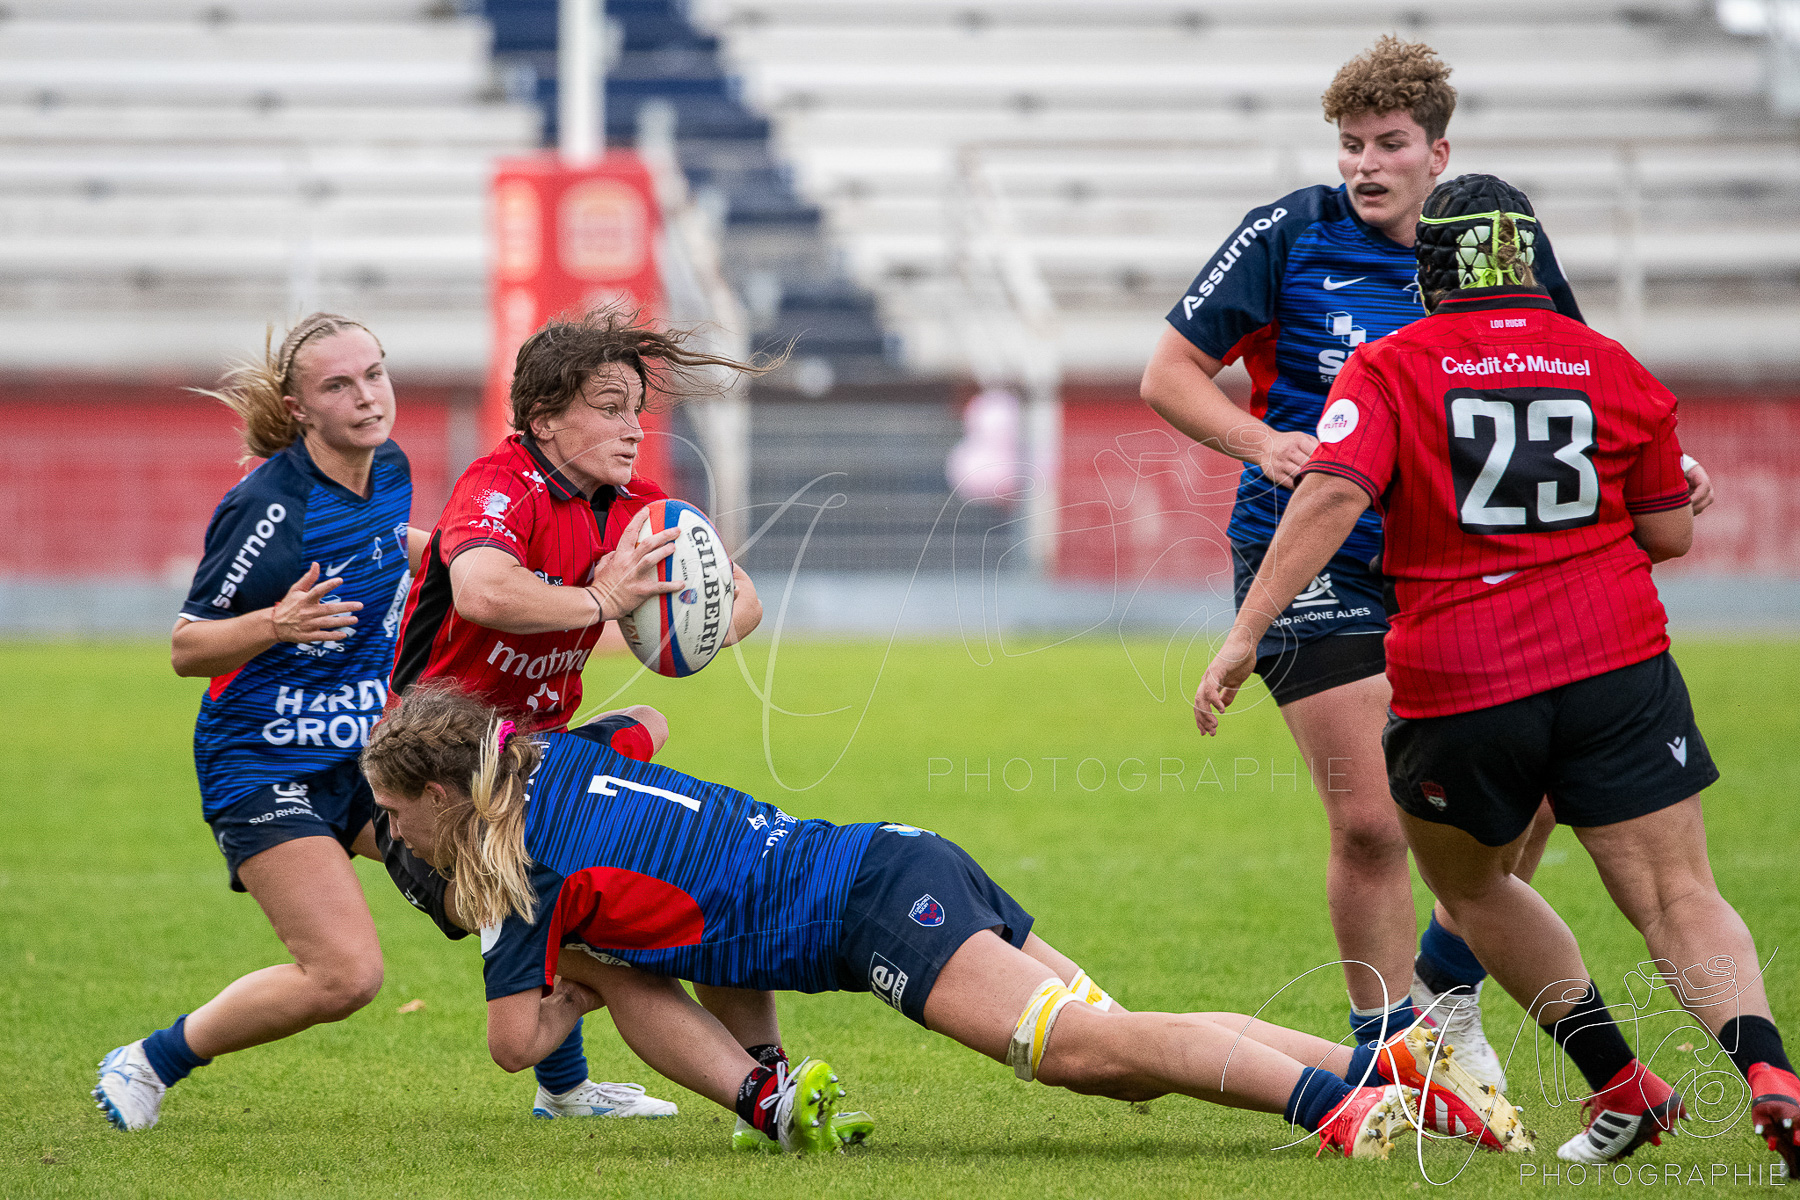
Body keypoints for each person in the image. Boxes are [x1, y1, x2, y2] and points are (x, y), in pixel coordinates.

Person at [1195, 174, 1800, 1173]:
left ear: (1427, 269)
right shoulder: (1608, 361)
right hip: (1619, 665)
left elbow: (1332, 497)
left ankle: (1618, 1080)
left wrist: (1245, 632)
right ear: (1531, 258)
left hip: (1466, 678)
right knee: (1679, 894)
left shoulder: (1394, 365)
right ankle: (1770, 1071)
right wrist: (1667, 491)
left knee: (1470, 885)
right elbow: (1667, 533)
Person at [1142, 36, 1714, 1086]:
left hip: (1463, 571)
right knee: (1369, 820)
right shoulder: (1286, 235)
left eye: (1389, 144)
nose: (1365, 164)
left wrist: (1669, 467)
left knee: (1533, 794)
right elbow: (1168, 372)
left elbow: (1581, 382)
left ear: (1436, 152)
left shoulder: (1502, 250)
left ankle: (1449, 995)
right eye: (1351, 144)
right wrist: (1263, 443)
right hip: (1315, 557)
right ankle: (1385, 1060)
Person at [357, 680, 1543, 1161]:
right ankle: (1383, 1066)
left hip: (879, 906)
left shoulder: (528, 872)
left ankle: (1332, 1109)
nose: (392, 836)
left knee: (1082, 1051)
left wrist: (580, 974)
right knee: (1121, 1051)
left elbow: (518, 1043)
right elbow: (644, 737)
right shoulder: (557, 757)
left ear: (449, 794)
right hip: (893, 854)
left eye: (394, 813)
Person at [378, 307, 803, 1130]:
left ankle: (579, 1082)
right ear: (544, 419)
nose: (634, 428)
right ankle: (596, 1076)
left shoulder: (635, 507)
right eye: (611, 407)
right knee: (579, 938)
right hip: (447, 781)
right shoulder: (501, 485)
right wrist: (605, 600)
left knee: (646, 725)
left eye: (636, 409)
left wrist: (689, 631)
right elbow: (483, 591)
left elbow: (741, 593)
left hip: (545, 761)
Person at [94, 314, 423, 1130]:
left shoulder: (391, 470)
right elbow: (186, 646)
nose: (366, 396)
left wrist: (474, 559)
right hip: (260, 763)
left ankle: (562, 1086)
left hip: (362, 754)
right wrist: (277, 623)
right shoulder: (269, 508)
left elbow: (391, 543)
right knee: (344, 976)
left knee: (508, 874)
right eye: (338, 385)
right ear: (299, 407)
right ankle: (149, 1061)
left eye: (374, 374)